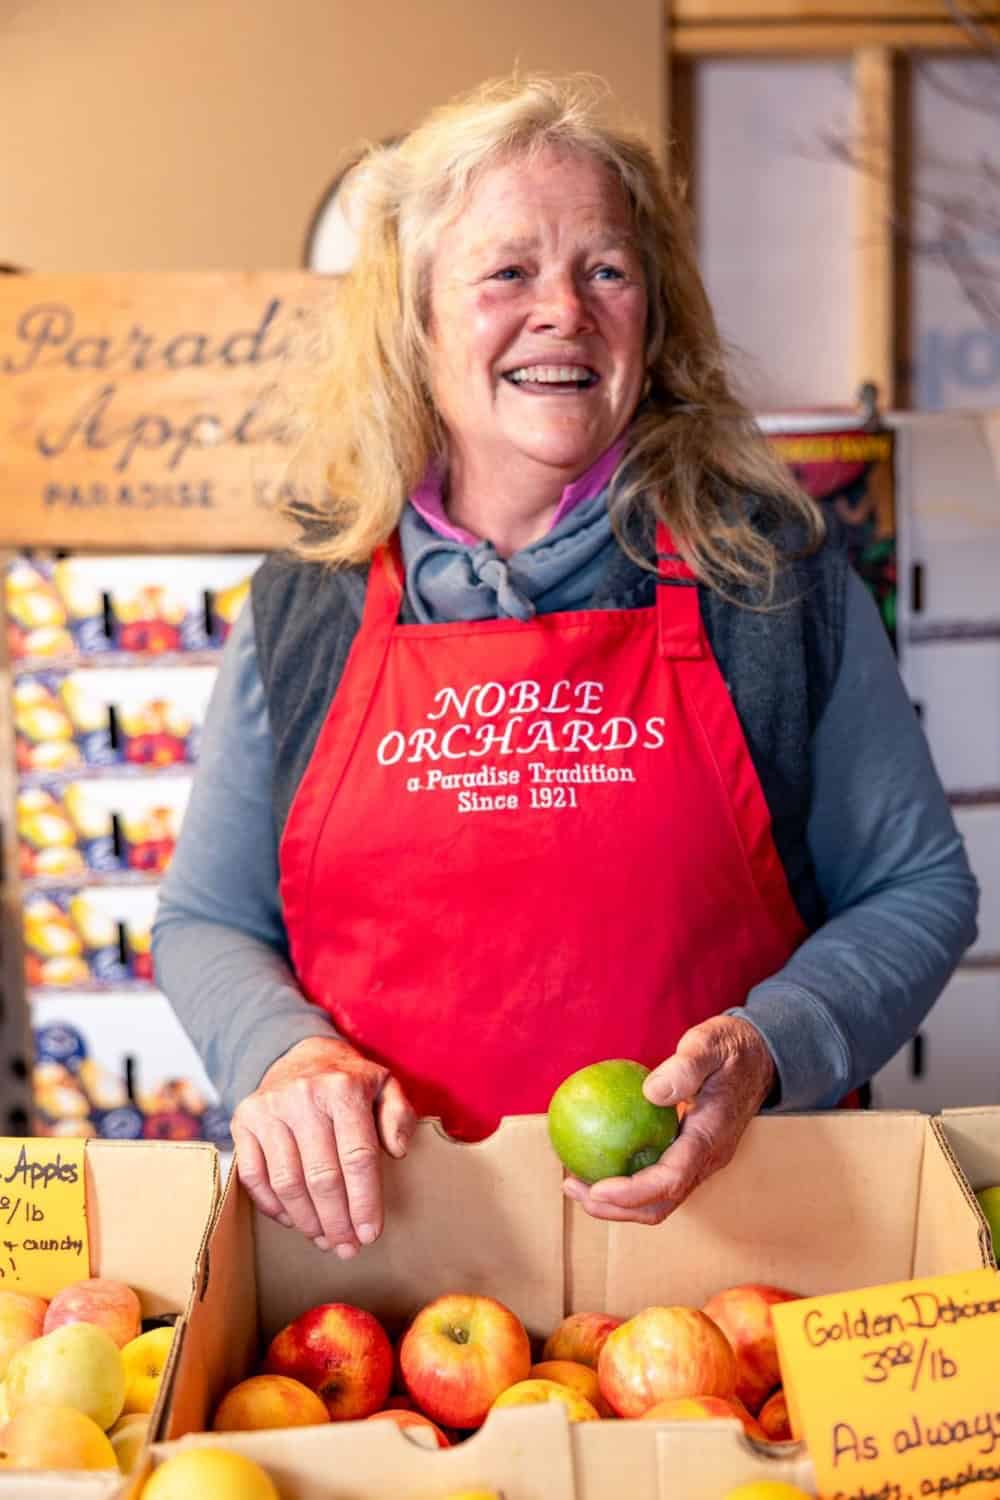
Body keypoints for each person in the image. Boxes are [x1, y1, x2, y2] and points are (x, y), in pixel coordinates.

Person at [153, 75, 978, 1260]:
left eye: (605, 270)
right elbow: (206, 918)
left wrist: (773, 1041)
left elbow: (917, 887)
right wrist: (283, 1054)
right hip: (384, 1273)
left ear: (655, 320)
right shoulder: (308, 604)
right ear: (418, 321)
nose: (565, 313)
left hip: (740, 1249)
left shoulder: (772, 579)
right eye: (507, 273)